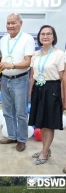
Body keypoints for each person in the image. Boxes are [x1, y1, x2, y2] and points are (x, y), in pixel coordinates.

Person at [0, 13, 35, 152]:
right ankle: (12, 136)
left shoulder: (27, 39)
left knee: (21, 112)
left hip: (20, 79)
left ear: (21, 23)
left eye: (14, 23)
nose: (10, 25)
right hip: (5, 79)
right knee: (7, 111)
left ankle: (22, 139)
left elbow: (28, 61)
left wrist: (12, 65)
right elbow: (1, 61)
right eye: (8, 23)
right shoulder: (3, 39)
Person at [28, 25, 64, 165]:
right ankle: (45, 149)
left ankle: (44, 152)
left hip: (52, 89)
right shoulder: (36, 55)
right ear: (39, 37)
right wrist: (30, 92)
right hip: (38, 88)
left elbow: (63, 77)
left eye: (49, 34)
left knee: (49, 123)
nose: (45, 36)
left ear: (53, 37)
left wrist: (63, 97)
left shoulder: (59, 54)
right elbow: (32, 75)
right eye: (43, 34)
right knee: (41, 123)